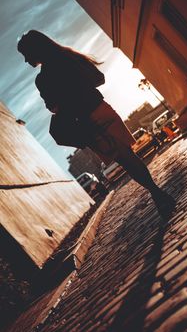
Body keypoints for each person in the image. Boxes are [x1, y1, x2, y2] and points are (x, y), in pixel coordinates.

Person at [17, 30, 175, 216]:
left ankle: (158, 195)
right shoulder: (70, 56)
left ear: (35, 50)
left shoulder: (42, 79)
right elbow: (99, 78)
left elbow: (53, 107)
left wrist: (64, 99)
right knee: (128, 157)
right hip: (101, 110)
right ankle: (158, 194)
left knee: (125, 160)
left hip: (86, 123)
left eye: (26, 55)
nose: (27, 61)